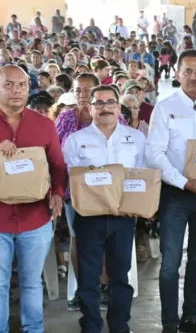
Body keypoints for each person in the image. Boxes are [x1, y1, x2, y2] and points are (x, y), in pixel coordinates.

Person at [145, 49, 196, 333]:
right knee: (170, 263)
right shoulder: (165, 107)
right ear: (177, 73)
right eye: (188, 71)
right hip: (176, 195)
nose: (193, 77)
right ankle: (170, 322)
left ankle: (190, 318)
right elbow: (154, 153)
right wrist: (183, 182)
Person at [63, 85, 145, 333]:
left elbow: (142, 175)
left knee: (121, 276)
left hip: (123, 217)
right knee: (88, 278)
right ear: (90, 107)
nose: (105, 108)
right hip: (89, 218)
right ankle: (90, 326)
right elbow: (70, 177)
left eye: (110, 102)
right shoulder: (76, 141)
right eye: (98, 103)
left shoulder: (136, 138)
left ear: (119, 107)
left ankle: (120, 326)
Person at [0, 65, 67, 331]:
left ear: (29, 88)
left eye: (21, 85)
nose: (16, 90)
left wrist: (58, 195)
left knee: (31, 282)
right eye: (8, 84)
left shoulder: (45, 125)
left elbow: (58, 166)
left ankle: (34, 329)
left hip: (35, 218)